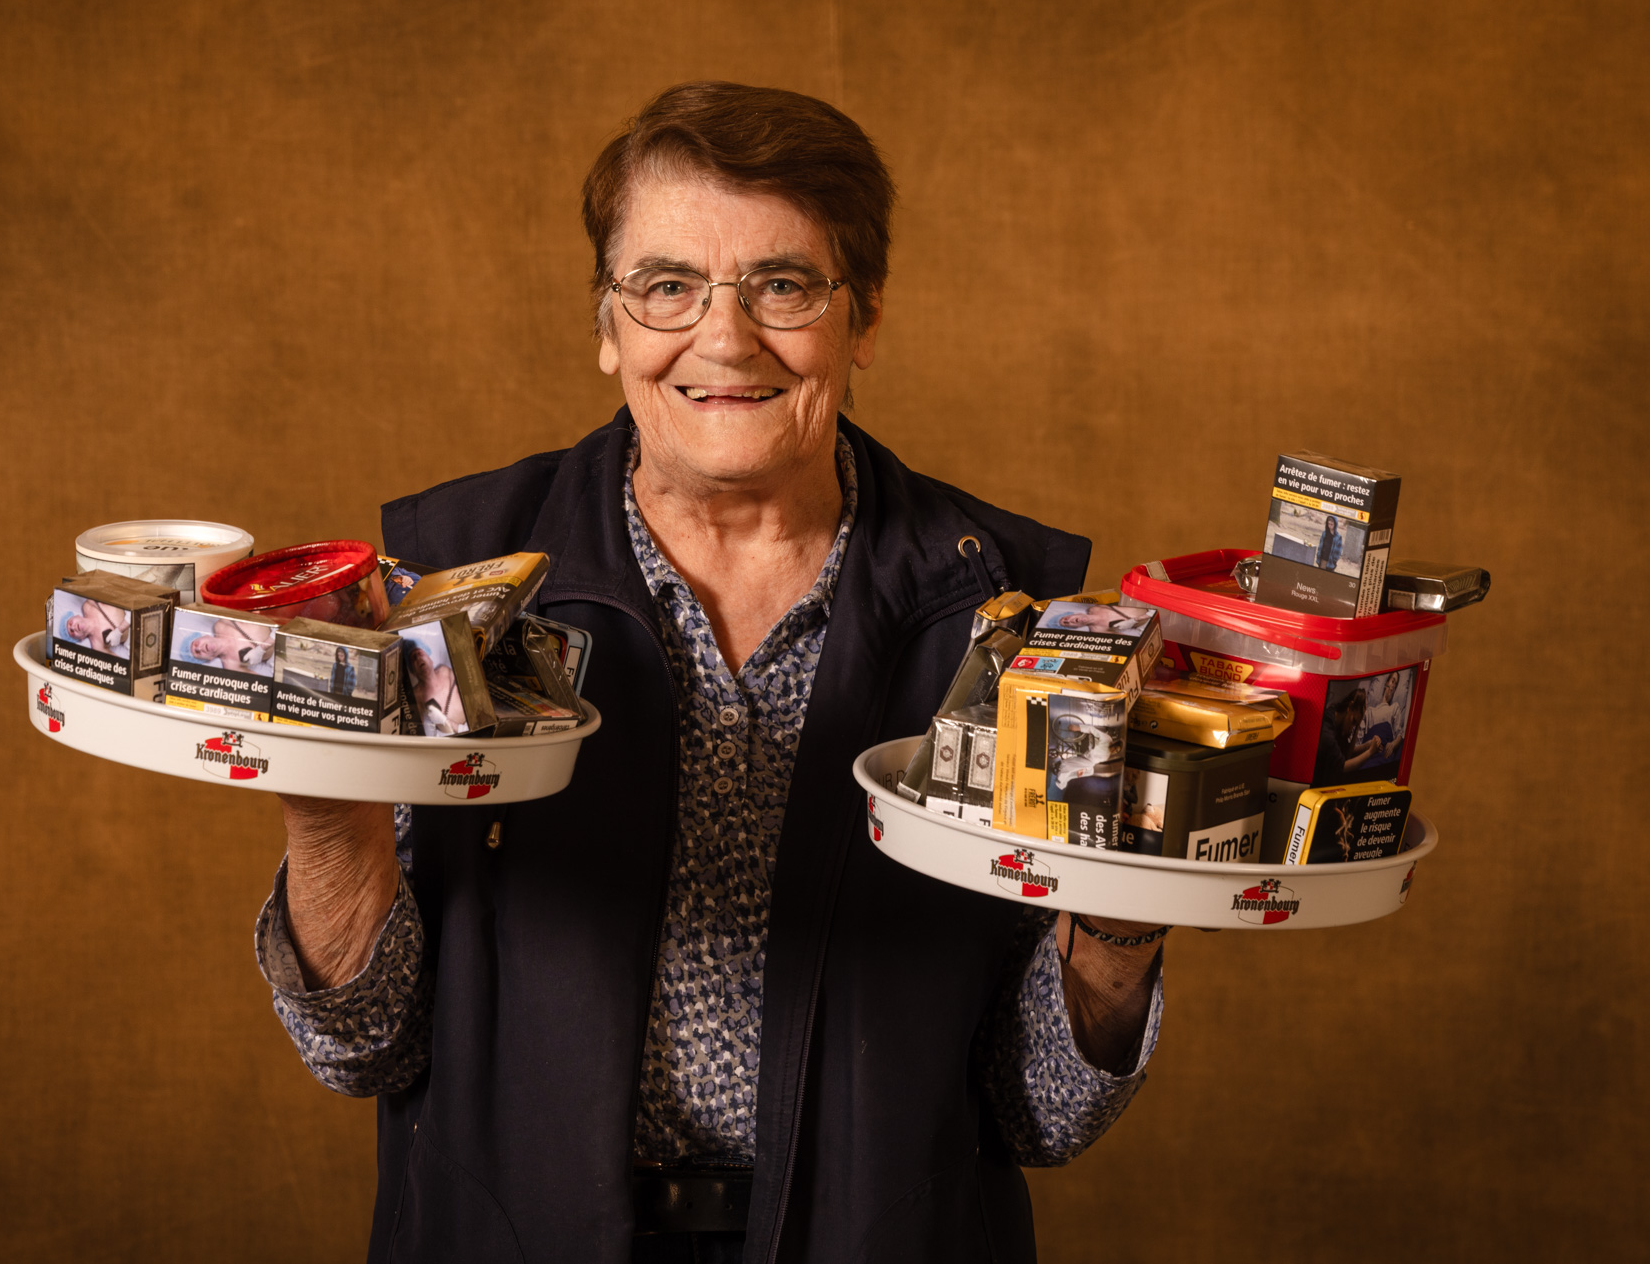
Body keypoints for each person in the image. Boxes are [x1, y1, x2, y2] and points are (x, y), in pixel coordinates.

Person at [260, 82, 1169, 1263]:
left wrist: (1123, 915)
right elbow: (362, 1048)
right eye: (667, 286)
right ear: (609, 325)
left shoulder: (1007, 620)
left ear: (865, 319)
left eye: (782, 286)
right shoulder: (445, 585)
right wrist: (326, 810)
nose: (725, 339)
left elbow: (1039, 1113)